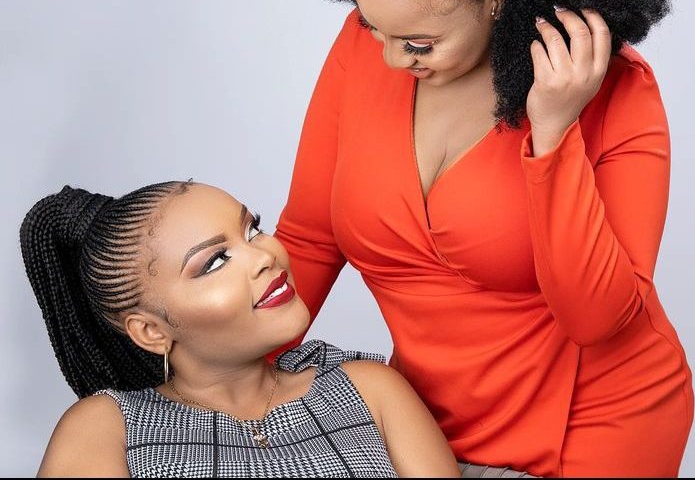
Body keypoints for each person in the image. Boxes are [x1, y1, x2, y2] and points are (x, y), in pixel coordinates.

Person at [272, 0, 694, 476]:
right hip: (426, 425)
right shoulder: (369, 45)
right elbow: (312, 239)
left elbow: (599, 320)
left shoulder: (615, 90)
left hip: (598, 423)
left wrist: (552, 135)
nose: (389, 58)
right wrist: (215, 382)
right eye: (373, 26)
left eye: (418, 43)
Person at [20, 180, 461, 478]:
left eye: (252, 231)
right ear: (151, 331)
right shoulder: (107, 428)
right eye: (215, 262)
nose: (265, 256)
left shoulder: (368, 388)